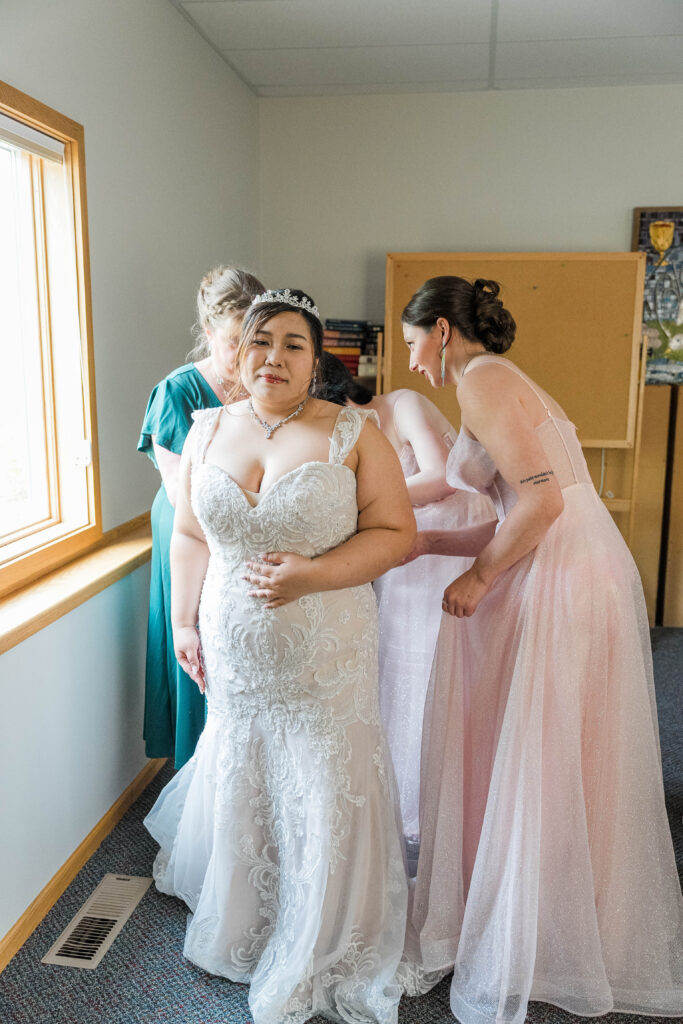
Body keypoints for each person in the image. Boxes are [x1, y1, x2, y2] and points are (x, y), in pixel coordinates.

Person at [400, 276, 683, 1021]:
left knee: (542, 745)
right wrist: (430, 543)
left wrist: (481, 577)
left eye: (409, 344)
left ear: (438, 329)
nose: (409, 363)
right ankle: (544, 910)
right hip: (563, 555)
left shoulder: (484, 380)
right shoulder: (493, 378)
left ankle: (537, 929)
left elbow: (543, 503)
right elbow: (510, 506)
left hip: (558, 568)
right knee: (549, 744)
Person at [144, 289, 417, 1024]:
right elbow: (193, 535)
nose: (273, 356)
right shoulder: (206, 430)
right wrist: (183, 622)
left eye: (293, 344)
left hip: (327, 646)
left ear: (315, 357)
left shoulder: (353, 431)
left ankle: (325, 936)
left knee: (325, 777)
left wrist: (313, 572)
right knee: (246, 767)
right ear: (238, 349)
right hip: (234, 645)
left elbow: (396, 533)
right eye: (260, 340)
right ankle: (248, 921)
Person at [319, 353, 495, 854]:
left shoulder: (404, 404)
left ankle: (448, 794)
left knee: (436, 660)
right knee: (396, 663)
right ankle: (405, 797)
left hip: (449, 540)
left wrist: (368, 501)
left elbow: (443, 476)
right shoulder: (342, 437)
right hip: (405, 550)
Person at [138, 265, 264, 768]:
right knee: (206, 646)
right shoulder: (177, 392)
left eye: (254, 339)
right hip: (193, 529)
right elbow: (180, 489)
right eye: (234, 341)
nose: (244, 355)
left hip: (245, 526)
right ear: (209, 331)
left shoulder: (263, 383)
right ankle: (199, 774)